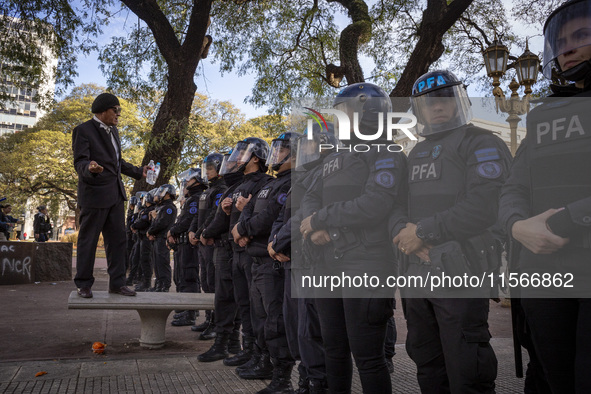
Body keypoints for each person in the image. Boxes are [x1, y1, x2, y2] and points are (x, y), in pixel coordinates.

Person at [392, 70, 511, 393]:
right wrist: (406, 236)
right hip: (416, 276)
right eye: (429, 102)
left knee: (467, 370)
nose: (437, 106)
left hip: (461, 273)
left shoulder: (482, 142)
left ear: (459, 101)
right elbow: (396, 206)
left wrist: (425, 232)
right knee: (428, 366)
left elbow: (485, 205)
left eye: (445, 98)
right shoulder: (415, 153)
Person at [499, 0, 591, 391]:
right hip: (544, 277)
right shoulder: (542, 116)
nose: (567, 48)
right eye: (562, 40)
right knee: (553, 378)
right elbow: (513, 186)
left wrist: (569, 218)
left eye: (582, 35)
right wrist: (516, 225)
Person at [299, 82, 407, 393]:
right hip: (327, 262)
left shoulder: (385, 150)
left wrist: (322, 221)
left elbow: (377, 203)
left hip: (366, 263)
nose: (338, 118)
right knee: (333, 350)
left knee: (368, 357)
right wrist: (314, 224)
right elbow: (310, 195)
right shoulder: (336, 155)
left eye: (345, 111)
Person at [232, 131, 299, 393]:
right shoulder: (270, 183)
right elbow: (249, 210)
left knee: (275, 321)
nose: (276, 154)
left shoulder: (290, 182)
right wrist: (240, 227)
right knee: (260, 317)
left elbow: (270, 217)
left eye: (282, 150)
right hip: (256, 260)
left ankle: (282, 379)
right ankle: (264, 362)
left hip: (272, 264)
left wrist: (244, 228)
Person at [72, 92, 147, 298]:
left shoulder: (114, 132)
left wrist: (138, 171)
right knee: (89, 240)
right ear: (103, 110)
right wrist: (90, 167)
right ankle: (84, 284)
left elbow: (117, 163)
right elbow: (80, 162)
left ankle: (117, 283)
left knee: (118, 242)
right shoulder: (83, 130)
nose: (118, 115)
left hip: (116, 196)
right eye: (116, 110)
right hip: (94, 195)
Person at [169, 169, 206, 326]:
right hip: (183, 243)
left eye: (189, 181)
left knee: (189, 277)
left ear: (197, 182)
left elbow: (187, 221)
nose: (186, 184)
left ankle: (190, 313)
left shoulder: (196, 199)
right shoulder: (191, 199)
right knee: (183, 277)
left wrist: (172, 231)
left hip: (190, 245)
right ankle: (187, 309)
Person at [147, 184, 178, 292]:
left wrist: (150, 231)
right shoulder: (161, 207)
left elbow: (162, 223)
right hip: (158, 238)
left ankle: (164, 285)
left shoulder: (169, 207)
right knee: (157, 263)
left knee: (163, 263)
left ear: (167, 194)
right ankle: (158, 285)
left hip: (163, 238)